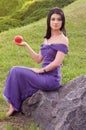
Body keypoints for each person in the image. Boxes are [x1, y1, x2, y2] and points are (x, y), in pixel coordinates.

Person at [3, 7, 68, 116]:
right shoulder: (47, 39)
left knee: (16, 70)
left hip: (51, 79)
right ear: (49, 21)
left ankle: (14, 105)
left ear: (62, 22)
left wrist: (41, 71)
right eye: (53, 19)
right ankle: (14, 103)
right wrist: (26, 45)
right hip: (42, 75)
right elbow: (38, 59)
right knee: (15, 71)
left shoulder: (63, 39)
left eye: (59, 19)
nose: (56, 22)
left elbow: (57, 62)